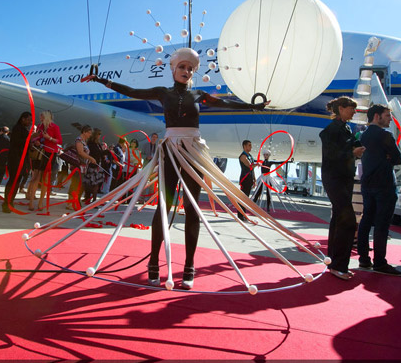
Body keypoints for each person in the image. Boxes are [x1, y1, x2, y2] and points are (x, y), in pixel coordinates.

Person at [89, 47, 268, 289]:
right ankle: (153, 263)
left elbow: (225, 102)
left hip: (193, 151)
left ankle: (189, 267)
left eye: (190, 68)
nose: (186, 71)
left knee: (192, 209)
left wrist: (252, 106)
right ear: (173, 69)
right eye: (182, 67)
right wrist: (102, 80)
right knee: (163, 206)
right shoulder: (163, 92)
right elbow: (132, 91)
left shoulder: (199, 95)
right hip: (170, 151)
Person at [319, 96, 365, 280]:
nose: (354, 112)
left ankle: (333, 262)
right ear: (341, 109)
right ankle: (339, 265)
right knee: (347, 221)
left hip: (342, 178)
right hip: (335, 177)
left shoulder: (346, 128)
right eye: (351, 108)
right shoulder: (331, 130)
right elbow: (331, 153)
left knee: (338, 218)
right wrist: (351, 152)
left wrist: (356, 148)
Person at [357, 104, 401, 276]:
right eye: (387, 115)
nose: (390, 119)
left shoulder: (363, 135)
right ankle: (380, 261)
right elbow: (398, 159)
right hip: (384, 183)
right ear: (377, 116)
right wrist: (389, 157)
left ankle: (363, 257)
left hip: (367, 182)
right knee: (382, 224)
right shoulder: (385, 136)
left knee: (366, 220)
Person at [27, 111, 62, 210]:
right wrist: (36, 140)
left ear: (46, 117)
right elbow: (35, 138)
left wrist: (49, 138)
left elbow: (59, 140)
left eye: (41, 116)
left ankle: (41, 203)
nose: (40, 117)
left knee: (45, 178)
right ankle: (31, 202)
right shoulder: (39, 126)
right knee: (36, 177)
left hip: (49, 153)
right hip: (40, 152)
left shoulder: (54, 127)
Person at [2, 112, 32, 213]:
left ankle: (11, 201)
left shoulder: (23, 129)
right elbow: (18, 142)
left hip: (21, 159)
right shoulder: (17, 128)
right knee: (13, 180)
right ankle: (7, 202)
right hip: (15, 158)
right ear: (23, 119)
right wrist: (30, 138)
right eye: (28, 120)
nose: (29, 122)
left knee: (17, 181)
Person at [67, 125, 96, 210]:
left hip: (83, 166)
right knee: (75, 183)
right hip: (77, 166)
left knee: (79, 184)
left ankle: (74, 201)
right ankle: (70, 202)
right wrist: (90, 158)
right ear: (84, 132)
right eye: (89, 133)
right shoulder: (79, 140)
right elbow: (80, 152)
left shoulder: (84, 141)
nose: (90, 135)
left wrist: (88, 159)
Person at [83, 128, 105, 205]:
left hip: (97, 165)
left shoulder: (98, 144)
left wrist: (105, 152)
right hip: (92, 165)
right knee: (89, 183)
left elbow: (101, 153)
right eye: (99, 134)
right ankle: (87, 198)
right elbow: (94, 153)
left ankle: (93, 199)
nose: (100, 136)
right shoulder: (91, 143)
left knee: (96, 184)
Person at [237, 140, 256, 221]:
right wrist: (257, 164)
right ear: (244, 146)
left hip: (250, 178)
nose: (250, 147)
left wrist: (254, 179)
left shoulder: (250, 156)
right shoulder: (243, 156)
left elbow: (252, 170)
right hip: (245, 178)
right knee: (243, 197)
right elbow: (250, 166)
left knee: (246, 197)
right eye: (249, 145)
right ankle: (240, 214)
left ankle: (243, 213)